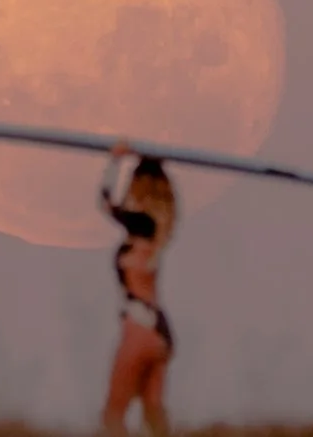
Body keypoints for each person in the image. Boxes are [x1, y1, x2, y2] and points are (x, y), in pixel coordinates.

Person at [98, 138, 177, 437]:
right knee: (153, 413)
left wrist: (115, 162)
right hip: (160, 332)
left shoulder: (143, 225)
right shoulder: (157, 229)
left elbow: (105, 202)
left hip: (140, 326)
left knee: (114, 414)